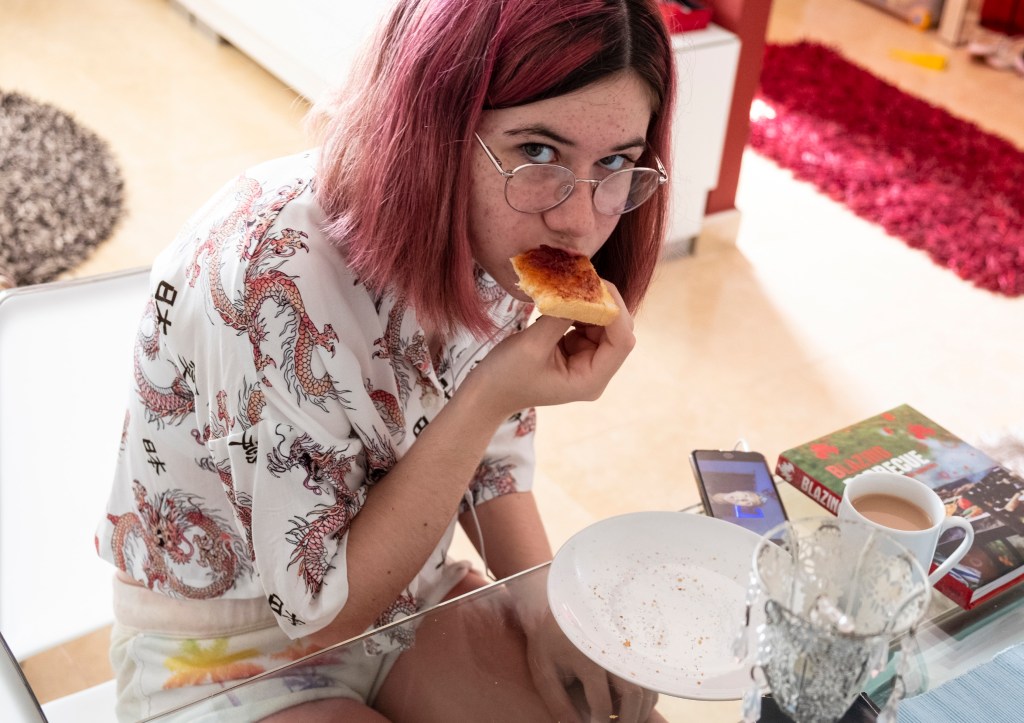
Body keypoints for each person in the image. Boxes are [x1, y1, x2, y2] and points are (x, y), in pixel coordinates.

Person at [95, 0, 675, 720]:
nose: (579, 220)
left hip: (409, 596)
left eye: (614, 162)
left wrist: (545, 603)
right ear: (437, 124)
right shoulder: (276, 272)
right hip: (223, 648)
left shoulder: (503, 235)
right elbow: (319, 612)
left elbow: (489, 461)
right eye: (537, 151)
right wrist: (490, 394)